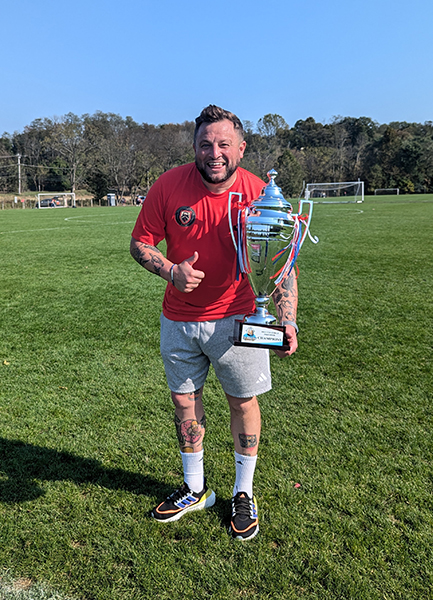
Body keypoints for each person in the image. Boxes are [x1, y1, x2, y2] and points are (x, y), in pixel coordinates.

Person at [130, 105, 298, 541]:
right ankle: (195, 487)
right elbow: (140, 242)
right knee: (184, 402)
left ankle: (243, 492)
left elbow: (281, 264)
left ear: (241, 148)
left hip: (239, 317)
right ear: (195, 148)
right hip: (179, 320)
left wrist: (287, 320)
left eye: (224, 144)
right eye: (206, 144)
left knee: (242, 402)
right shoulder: (169, 185)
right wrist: (171, 271)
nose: (215, 152)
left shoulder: (261, 193)